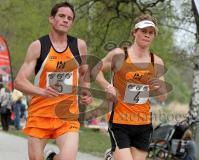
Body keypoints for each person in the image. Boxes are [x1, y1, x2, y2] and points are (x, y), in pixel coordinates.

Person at [14, 2, 92, 160]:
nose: (65, 20)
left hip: (67, 115)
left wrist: (86, 90)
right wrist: (41, 91)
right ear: (51, 19)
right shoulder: (38, 46)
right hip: (40, 115)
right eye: (61, 16)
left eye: (69, 18)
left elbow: (84, 72)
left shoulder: (79, 45)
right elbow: (19, 81)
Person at [95, 14, 167, 160]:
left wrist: (158, 86)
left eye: (150, 32)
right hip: (119, 122)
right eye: (143, 31)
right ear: (134, 32)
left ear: (154, 35)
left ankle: (111, 156)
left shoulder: (156, 61)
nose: (147, 35)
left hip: (143, 123)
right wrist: (107, 85)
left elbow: (162, 96)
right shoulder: (119, 55)